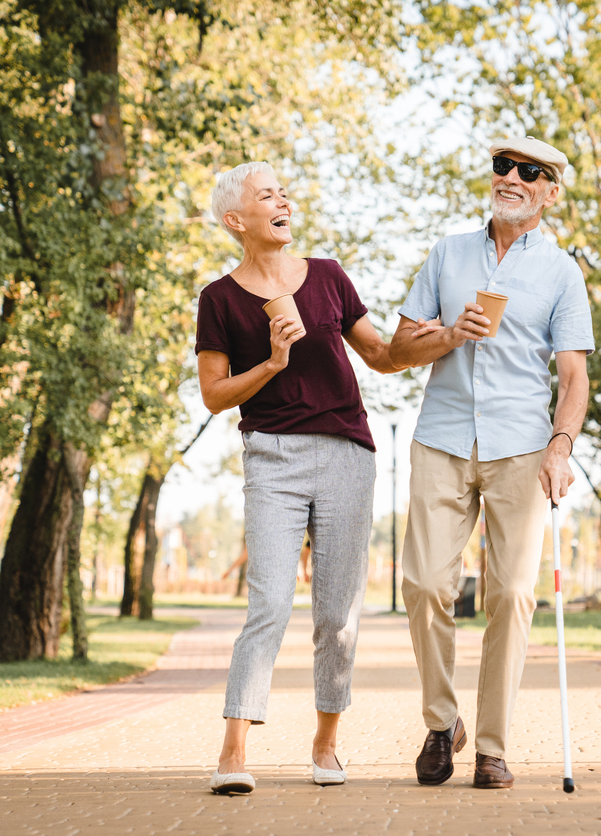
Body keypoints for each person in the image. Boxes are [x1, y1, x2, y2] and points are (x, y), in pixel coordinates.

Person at [195, 162, 437, 794]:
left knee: (338, 614)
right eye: (266, 195)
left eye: (284, 193)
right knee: (270, 603)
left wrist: (437, 340)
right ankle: (232, 750)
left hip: (346, 453)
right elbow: (215, 395)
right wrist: (273, 362)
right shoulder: (219, 299)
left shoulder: (328, 276)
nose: (283, 202)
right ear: (235, 219)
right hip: (272, 456)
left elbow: (381, 356)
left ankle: (326, 744)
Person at [388, 137, 593, 789]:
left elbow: (573, 377)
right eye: (503, 167)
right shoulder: (447, 253)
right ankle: (442, 721)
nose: (512, 178)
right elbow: (398, 348)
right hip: (442, 437)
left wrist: (561, 446)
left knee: (511, 593)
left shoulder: (562, 273)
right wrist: (451, 334)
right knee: (424, 583)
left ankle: (492, 747)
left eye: (530, 172)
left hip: (523, 448)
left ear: (550, 192)